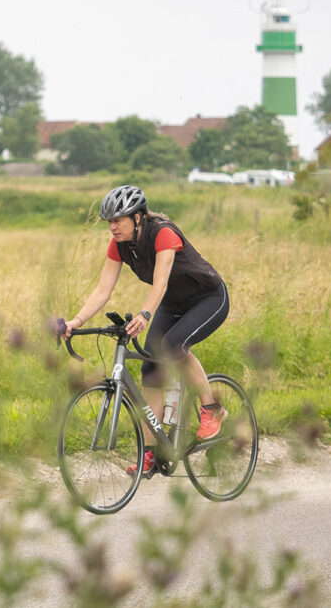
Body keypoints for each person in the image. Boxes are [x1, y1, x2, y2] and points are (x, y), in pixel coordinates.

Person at [63, 185, 230, 478]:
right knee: (150, 367)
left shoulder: (163, 233)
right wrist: (75, 321)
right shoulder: (118, 246)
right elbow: (103, 289)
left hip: (207, 298)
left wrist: (145, 314)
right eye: (109, 221)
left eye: (119, 220)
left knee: (173, 346)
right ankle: (151, 452)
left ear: (138, 217)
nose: (112, 227)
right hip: (172, 304)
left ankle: (211, 408)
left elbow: (160, 283)